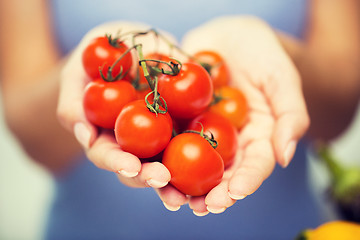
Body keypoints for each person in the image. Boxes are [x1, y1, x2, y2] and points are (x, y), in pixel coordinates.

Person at [0, 0, 359, 239]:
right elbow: (32, 136)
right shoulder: (137, 87)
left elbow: (341, 110)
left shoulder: (176, 98)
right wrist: (78, 80)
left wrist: (283, 58)